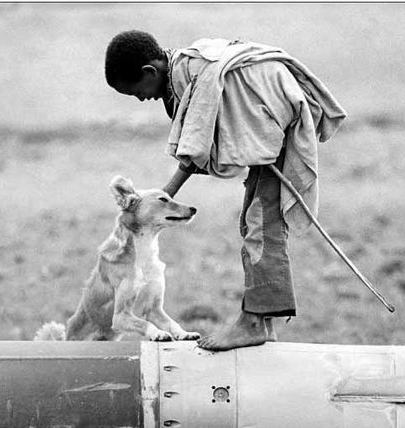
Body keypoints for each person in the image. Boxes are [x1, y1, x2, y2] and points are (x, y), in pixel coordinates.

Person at [104, 30, 347, 351]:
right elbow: (203, 136)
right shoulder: (184, 70)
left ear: (150, 72)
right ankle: (263, 323)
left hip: (277, 121)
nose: (143, 99)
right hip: (274, 122)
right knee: (253, 223)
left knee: (261, 227)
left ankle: (254, 324)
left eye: (138, 92)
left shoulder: (190, 73)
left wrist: (164, 194)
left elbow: (198, 143)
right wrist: (165, 194)